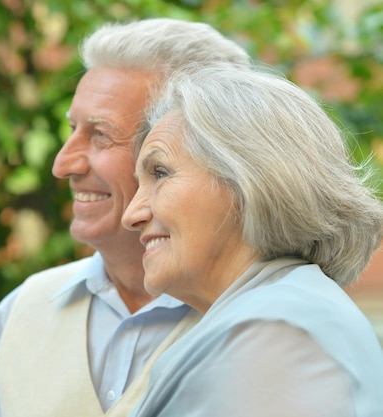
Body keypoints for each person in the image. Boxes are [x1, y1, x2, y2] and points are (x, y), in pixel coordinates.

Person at [0, 19, 250, 417]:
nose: (62, 164)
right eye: (71, 129)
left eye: (101, 135)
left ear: (200, 154)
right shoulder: (23, 313)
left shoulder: (266, 319)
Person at [122, 63, 383, 417]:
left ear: (250, 180)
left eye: (160, 173)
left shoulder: (278, 333)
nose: (131, 215)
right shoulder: (278, 314)